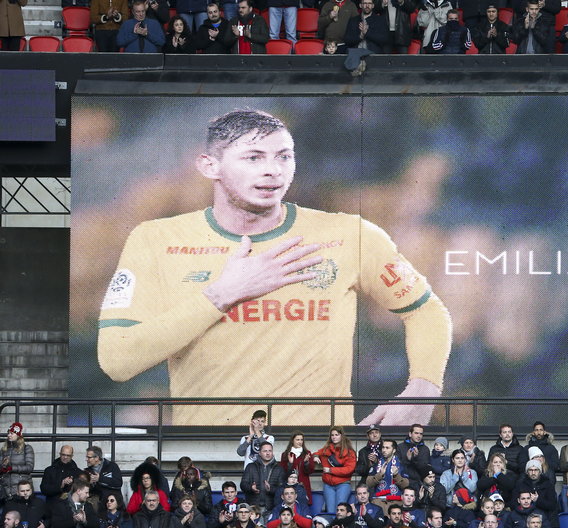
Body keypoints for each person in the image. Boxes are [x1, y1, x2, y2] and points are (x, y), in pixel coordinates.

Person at [97, 107, 452, 426]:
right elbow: (118, 359)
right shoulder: (156, 239)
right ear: (210, 165)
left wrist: (422, 392)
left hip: (319, 468)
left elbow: (427, 311)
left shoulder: (350, 234)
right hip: (210, 465)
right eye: (253, 158)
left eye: (283, 157)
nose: (272, 170)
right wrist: (222, 294)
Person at [313, 427, 357, 514]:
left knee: (340, 511)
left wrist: (330, 470)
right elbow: (316, 453)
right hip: (328, 485)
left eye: (336, 435)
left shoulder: (349, 452)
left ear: (341, 436)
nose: (334, 437)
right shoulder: (326, 449)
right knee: (330, 511)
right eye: (332, 435)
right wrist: (315, 457)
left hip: (343, 484)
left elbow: (349, 469)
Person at [243, 442, 287, 515]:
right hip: (253, 509)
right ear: (259, 453)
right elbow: (243, 484)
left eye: (270, 451)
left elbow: (282, 489)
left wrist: (270, 489)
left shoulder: (279, 469)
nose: (268, 453)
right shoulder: (250, 467)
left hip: (271, 508)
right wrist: (251, 488)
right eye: (265, 451)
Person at [513, 461, 557, 528]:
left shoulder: (548, 484)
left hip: (544, 517)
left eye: (536, 470)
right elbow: (514, 503)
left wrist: (538, 500)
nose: (533, 473)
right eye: (530, 470)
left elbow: (552, 505)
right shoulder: (521, 484)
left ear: (540, 471)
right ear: (527, 472)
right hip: (524, 516)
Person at [368, 440, 409, 509]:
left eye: (387, 448)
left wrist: (396, 475)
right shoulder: (377, 463)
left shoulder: (401, 464)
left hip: (396, 502)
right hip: (378, 501)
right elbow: (368, 483)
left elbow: (406, 485)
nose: (384, 450)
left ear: (394, 450)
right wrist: (379, 475)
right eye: (383, 447)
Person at [1, 423, 34, 502]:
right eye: (8, 433)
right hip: (6, 491)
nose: (9, 435)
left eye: (12, 433)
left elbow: (29, 467)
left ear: (18, 435)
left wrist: (12, 468)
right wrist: (3, 466)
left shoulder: (27, 448)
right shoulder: (4, 449)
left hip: (22, 490)